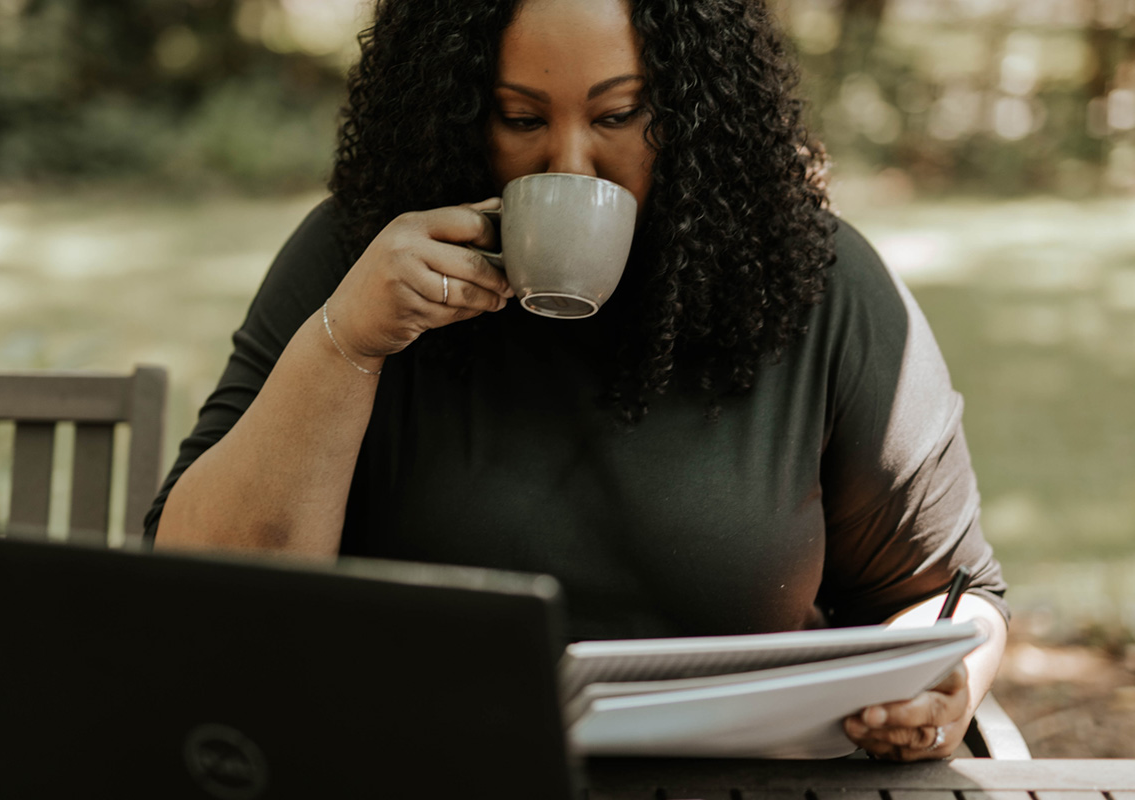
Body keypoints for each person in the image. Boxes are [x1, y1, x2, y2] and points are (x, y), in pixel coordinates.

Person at [148, 0, 1009, 762]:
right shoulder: (359, 259)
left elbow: (948, 595)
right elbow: (198, 591)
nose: (570, 166)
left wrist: (945, 687)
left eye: (620, 112)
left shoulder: (813, 281)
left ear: (694, 110)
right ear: (453, 113)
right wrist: (350, 344)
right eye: (520, 118)